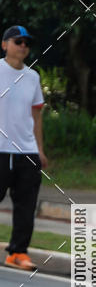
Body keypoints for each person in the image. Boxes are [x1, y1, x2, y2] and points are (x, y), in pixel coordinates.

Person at [0, 25, 48, 271]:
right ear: (4, 44)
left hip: (26, 152)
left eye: (27, 43)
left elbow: (36, 115)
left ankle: (17, 253)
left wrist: (40, 150)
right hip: (0, 150)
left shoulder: (33, 77)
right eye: (18, 41)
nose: (23, 46)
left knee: (26, 207)